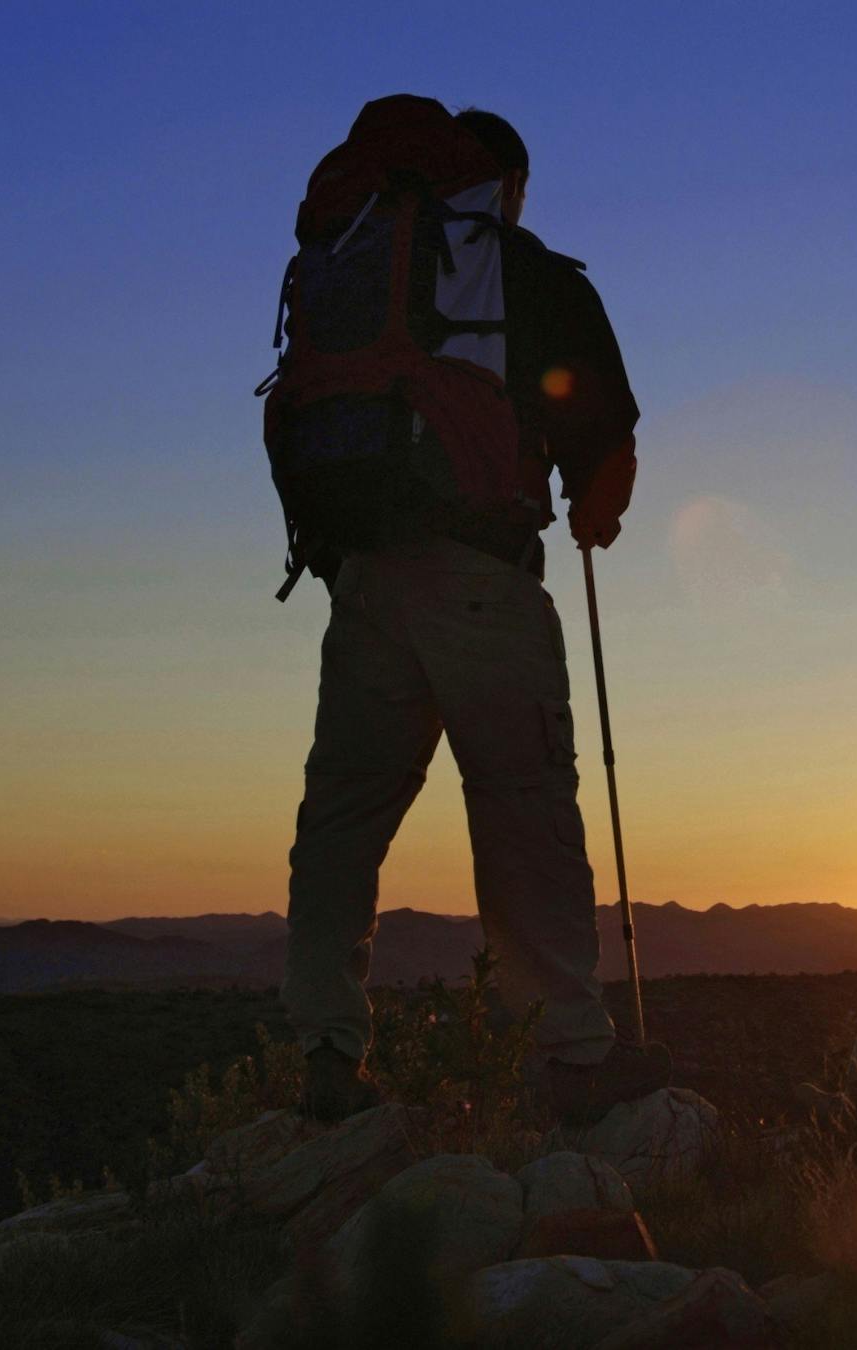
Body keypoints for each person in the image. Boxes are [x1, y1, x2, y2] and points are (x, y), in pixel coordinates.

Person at [277, 105, 668, 1123]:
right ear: (507, 187)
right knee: (522, 802)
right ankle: (571, 1056)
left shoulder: (350, 265)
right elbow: (608, 450)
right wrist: (596, 513)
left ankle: (326, 1047)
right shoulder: (525, 274)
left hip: (363, 576)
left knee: (345, 817)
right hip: (482, 574)